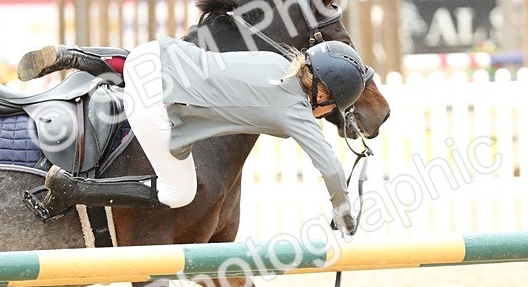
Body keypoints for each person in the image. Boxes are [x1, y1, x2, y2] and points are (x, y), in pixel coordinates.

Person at [19, 37, 368, 236]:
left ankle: (75, 56)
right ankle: (73, 190)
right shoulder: (295, 110)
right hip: (152, 101)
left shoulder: (275, 60)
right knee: (180, 192)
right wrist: (344, 213)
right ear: (322, 95)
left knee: (152, 68)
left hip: (150, 54)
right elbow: (333, 170)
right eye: (332, 107)